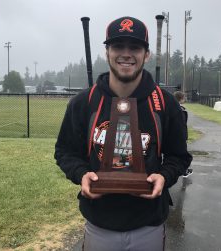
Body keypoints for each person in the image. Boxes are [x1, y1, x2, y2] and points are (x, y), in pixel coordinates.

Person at [55, 16, 192, 251]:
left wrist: (164, 177)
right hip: (99, 222)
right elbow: (65, 151)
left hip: (148, 223)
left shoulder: (165, 103)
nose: (126, 54)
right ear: (107, 51)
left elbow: (178, 156)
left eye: (135, 47)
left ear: (146, 54)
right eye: (118, 46)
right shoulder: (83, 102)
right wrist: (81, 174)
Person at [173, 90, 193, 178]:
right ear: (181, 99)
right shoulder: (180, 110)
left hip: (173, 136)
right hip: (179, 136)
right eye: (184, 98)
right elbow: (182, 125)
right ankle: (184, 171)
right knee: (182, 154)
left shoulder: (170, 108)